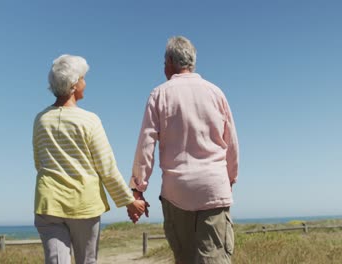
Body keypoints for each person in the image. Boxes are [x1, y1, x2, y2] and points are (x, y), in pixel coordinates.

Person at [128, 36, 239, 264]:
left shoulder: (159, 94)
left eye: (164, 61)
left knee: (184, 258)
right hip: (213, 188)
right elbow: (231, 144)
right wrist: (230, 178)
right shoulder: (216, 93)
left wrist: (138, 189)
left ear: (170, 61)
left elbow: (146, 145)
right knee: (215, 258)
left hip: (176, 189)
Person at [33, 54, 146, 264]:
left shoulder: (40, 120)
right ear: (74, 84)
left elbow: (39, 162)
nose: (86, 83)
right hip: (83, 204)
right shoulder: (90, 121)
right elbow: (107, 168)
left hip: (48, 203)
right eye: (83, 78)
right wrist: (129, 201)